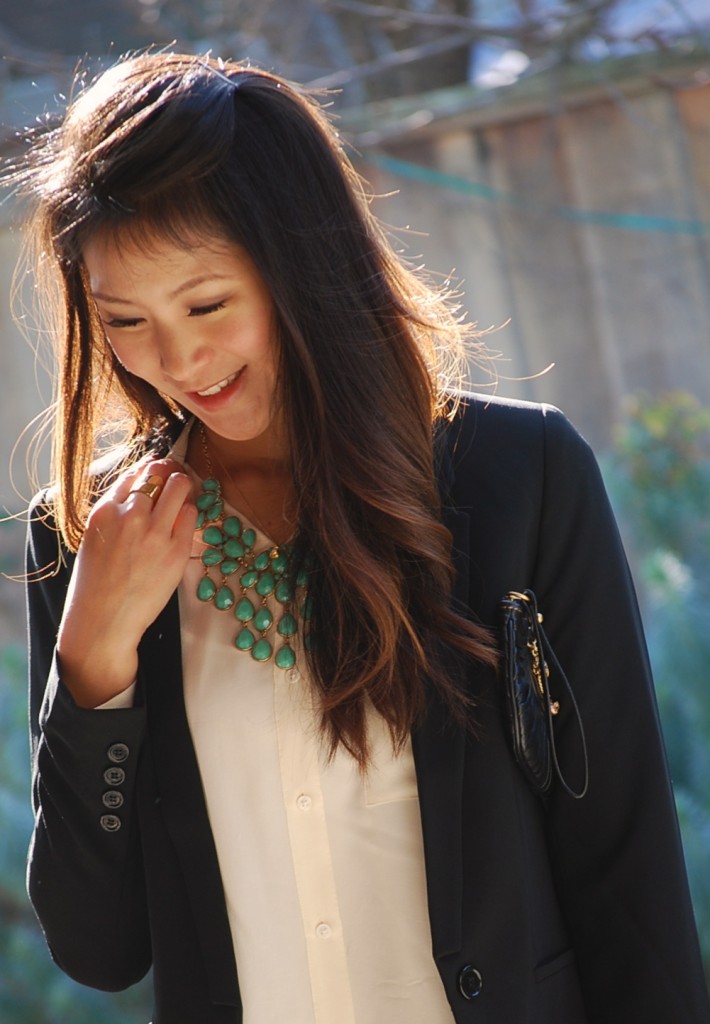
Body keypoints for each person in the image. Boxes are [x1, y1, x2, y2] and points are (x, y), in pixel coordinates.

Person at [13, 52, 709, 1024]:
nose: (177, 359)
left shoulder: (519, 479)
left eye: (206, 303)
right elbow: (99, 946)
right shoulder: (95, 535)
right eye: (123, 319)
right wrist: (92, 666)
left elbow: (624, 873)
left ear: (301, 260)